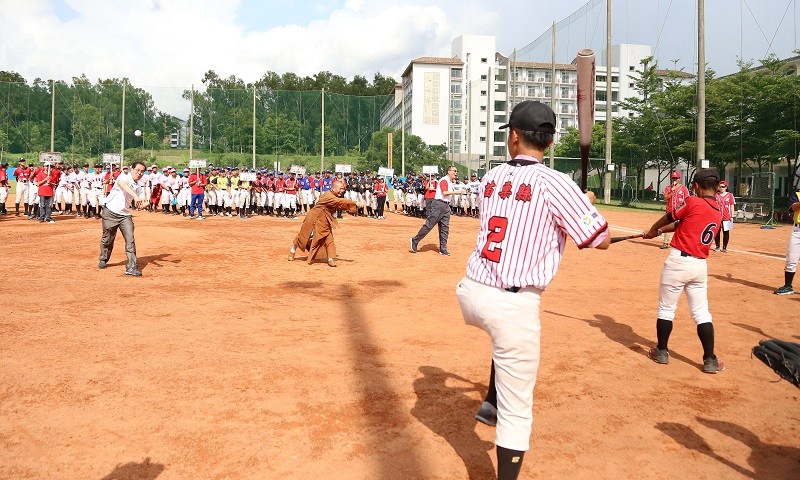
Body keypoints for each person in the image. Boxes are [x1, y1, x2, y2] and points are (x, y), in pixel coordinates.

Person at [456, 100, 610, 480]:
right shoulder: (557, 182)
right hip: (512, 303)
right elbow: (599, 239)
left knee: (502, 342)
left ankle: (490, 401)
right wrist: (585, 204)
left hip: (472, 291)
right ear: (551, 143)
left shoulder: (489, 177)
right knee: (518, 409)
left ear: (513, 137)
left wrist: (577, 203)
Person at [643, 168, 724, 373]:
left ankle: (661, 351)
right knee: (701, 312)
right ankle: (710, 359)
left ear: (696, 186)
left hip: (678, 263)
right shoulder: (718, 210)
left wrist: (654, 229)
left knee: (666, 309)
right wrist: (659, 233)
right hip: (699, 266)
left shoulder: (693, 201)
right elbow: (684, 224)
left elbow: (670, 216)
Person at [287, 179, 357, 267]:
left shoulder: (335, 196)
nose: (342, 190)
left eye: (343, 189)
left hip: (325, 220)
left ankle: (330, 258)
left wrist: (353, 207)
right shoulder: (328, 195)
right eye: (340, 188)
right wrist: (355, 202)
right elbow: (339, 202)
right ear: (333, 188)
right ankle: (292, 250)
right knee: (305, 236)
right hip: (314, 218)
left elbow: (340, 204)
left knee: (329, 238)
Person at [98, 161, 147, 277]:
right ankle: (103, 258)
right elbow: (124, 185)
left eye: (142, 172)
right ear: (132, 169)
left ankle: (132, 267)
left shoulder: (139, 187)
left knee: (130, 240)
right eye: (137, 170)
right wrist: (135, 197)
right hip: (110, 212)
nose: (139, 173)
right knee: (108, 239)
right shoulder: (123, 176)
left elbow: (141, 203)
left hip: (125, 215)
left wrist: (145, 204)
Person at [410, 166, 457, 256]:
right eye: (454, 171)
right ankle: (415, 240)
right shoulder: (444, 180)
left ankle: (443, 248)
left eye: (456, 171)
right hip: (439, 204)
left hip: (446, 206)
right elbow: (445, 192)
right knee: (429, 225)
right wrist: (458, 192)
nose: (456, 173)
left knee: (444, 228)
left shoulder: (450, 182)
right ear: (449, 171)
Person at [773, 188, 800, 295]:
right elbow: (793, 207)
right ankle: (788, 286)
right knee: (791, 258)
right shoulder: (797, 192)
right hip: (797, 230)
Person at [662, 171, 689, 248]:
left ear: (679, 179)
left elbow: (687, 199)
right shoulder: (668, 188)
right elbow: (665, 198)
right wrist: (672, 191)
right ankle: (665, 242)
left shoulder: (683, 188)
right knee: (668, 226)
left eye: (676, 178)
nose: (674, 180)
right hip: (670, 211)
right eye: (673, 178)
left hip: (680, 211)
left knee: (681, 227)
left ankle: (680, 244)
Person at [714, 180, 735, 252]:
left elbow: (732, 206)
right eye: (720, 187)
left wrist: (732, 216)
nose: (721, 188)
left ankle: (724, 247)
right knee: (717, 232)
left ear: (726, 187)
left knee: (726, 232)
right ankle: (717, 246)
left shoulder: (730, 195)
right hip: (717, 216)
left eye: (723, 187)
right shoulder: (716, 195)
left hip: (727, 217)